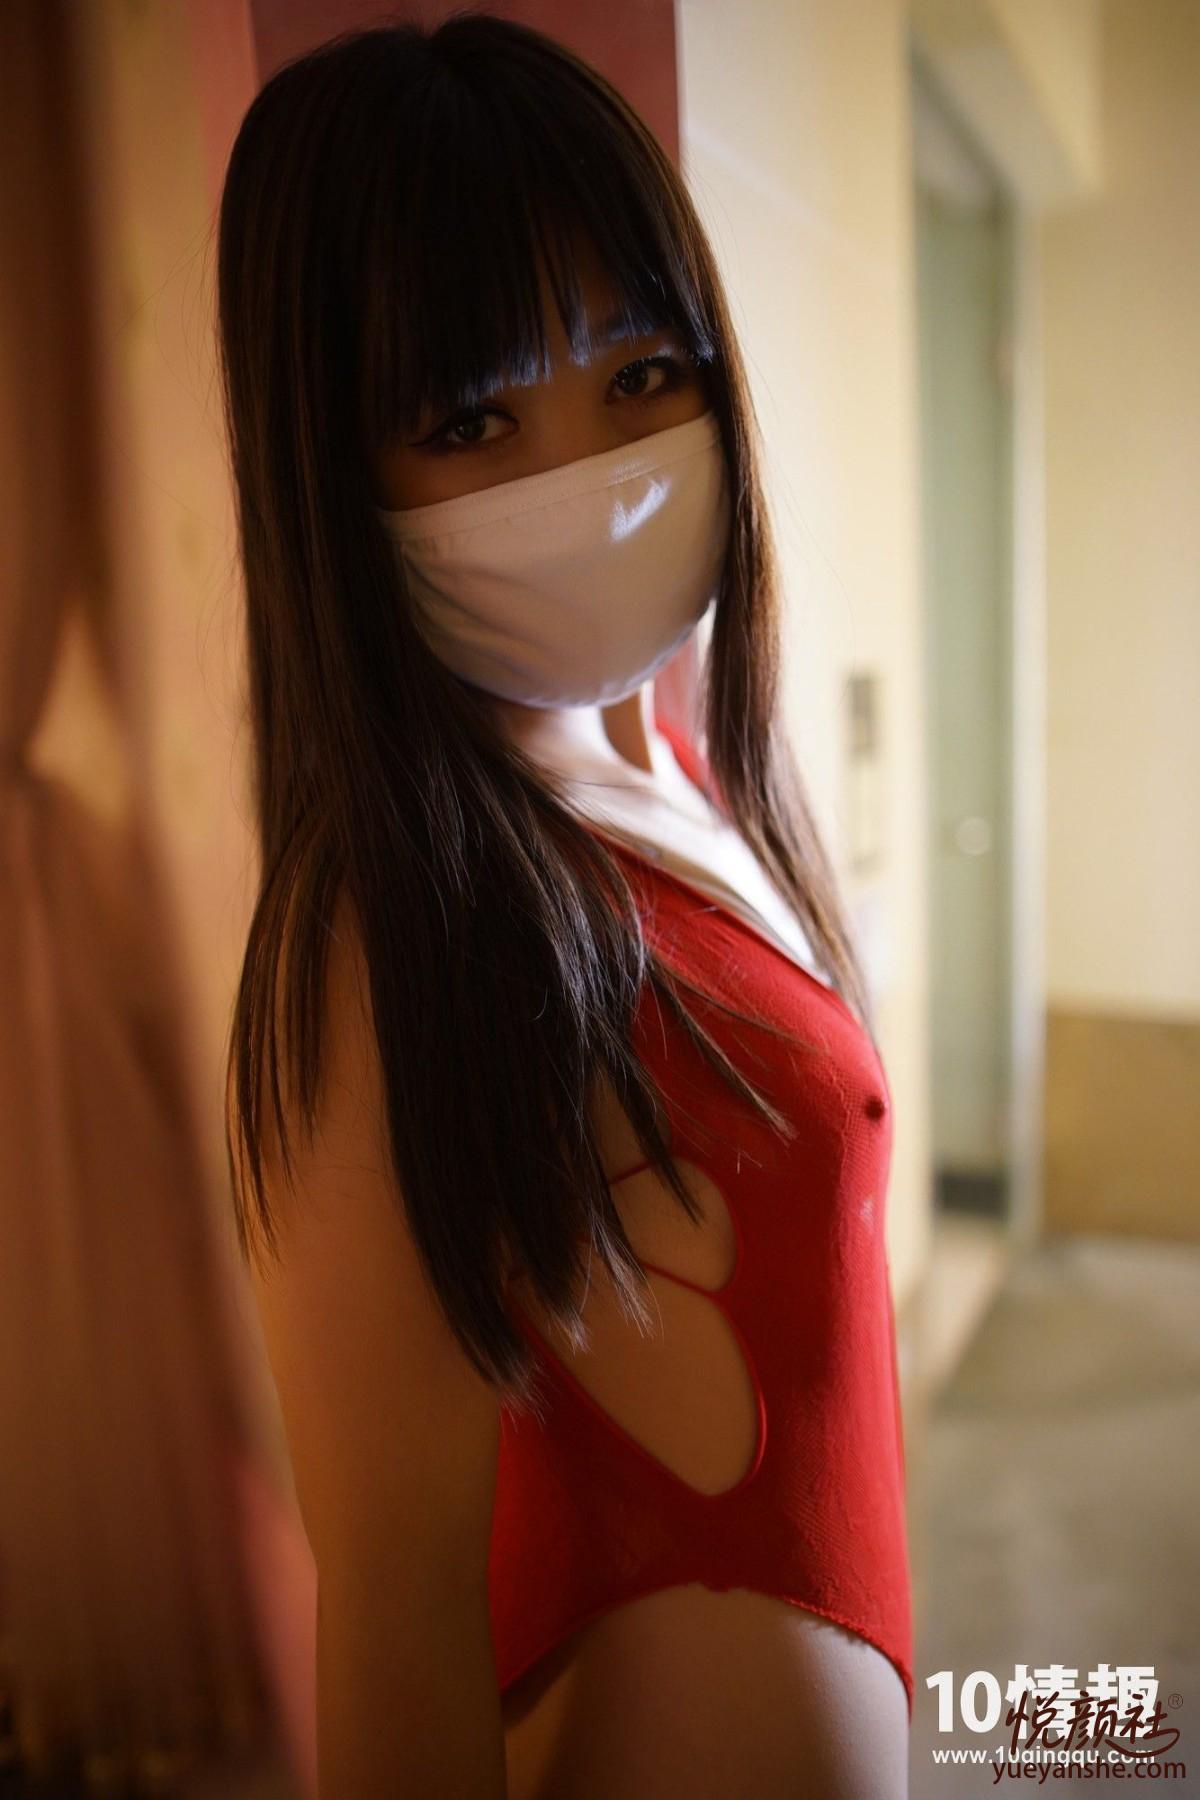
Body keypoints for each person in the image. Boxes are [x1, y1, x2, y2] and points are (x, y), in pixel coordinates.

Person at [217, 15, 912, 1797]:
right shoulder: (393, 926)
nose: (586, 468)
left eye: (640, 371)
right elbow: (395, 1617)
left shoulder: (678, 761)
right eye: (473, 416)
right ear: (335, 469)